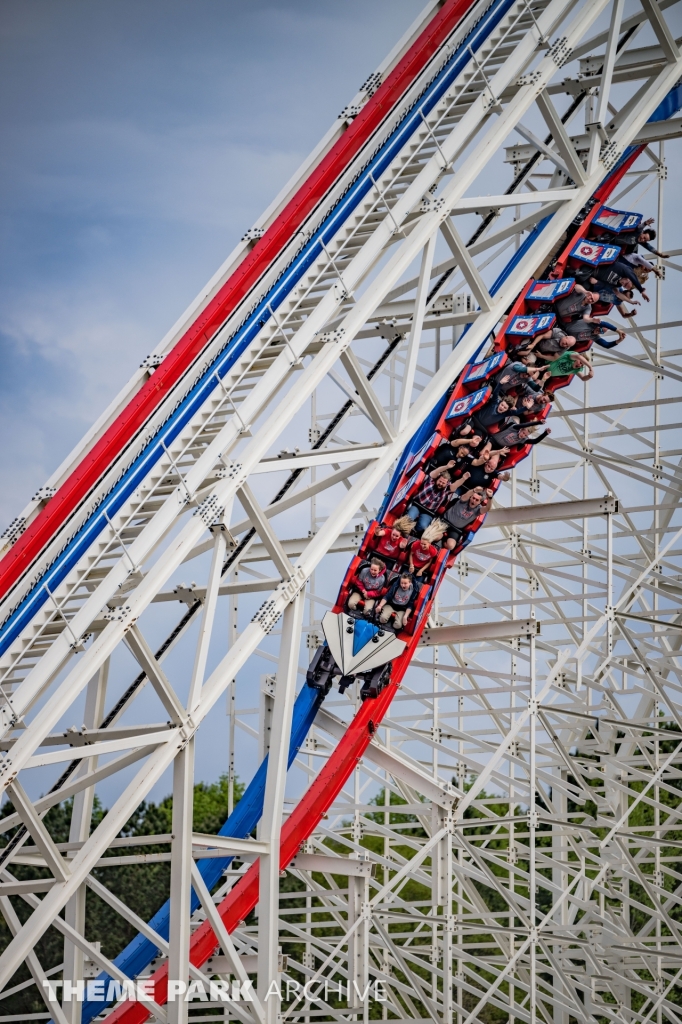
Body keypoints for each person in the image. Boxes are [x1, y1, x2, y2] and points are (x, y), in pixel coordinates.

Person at [406, 466, 457, 533]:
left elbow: (454, 487)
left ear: (446, 484)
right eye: (440, 481)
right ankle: (406, 529)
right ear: (437, 479)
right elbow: (435, 472)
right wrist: (447, 466)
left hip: (428, 512)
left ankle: (414, 532)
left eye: (443, 483)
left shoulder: (445, 492)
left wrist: (464, 478)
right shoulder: (430, 481)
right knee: (409, 518)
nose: (441, 484)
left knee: (423, 526)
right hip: (417, 504)